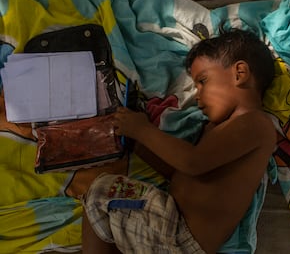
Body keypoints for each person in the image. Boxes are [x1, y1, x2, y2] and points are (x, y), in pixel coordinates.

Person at [82, 29, 277, 254]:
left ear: (240, 73)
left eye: (203, 81)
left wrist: (144, 130)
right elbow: (180, 173)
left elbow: (192, 163)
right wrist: (138, 143)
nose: (197, 95)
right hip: (170, 233)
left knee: (102, 191)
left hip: (181, 237)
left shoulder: (256, 123)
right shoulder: (216, 129)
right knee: (108, 203)